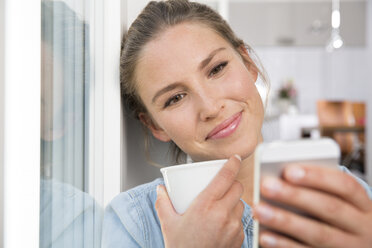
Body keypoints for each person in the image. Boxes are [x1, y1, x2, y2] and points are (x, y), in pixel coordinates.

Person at [102, 1, 372, 247]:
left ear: (248, 62)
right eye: (175, 98)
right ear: (155, 125)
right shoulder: (133, 224)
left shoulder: (347, 195)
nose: (210, 107)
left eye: (217, 69)